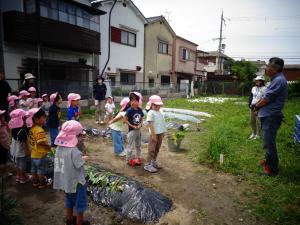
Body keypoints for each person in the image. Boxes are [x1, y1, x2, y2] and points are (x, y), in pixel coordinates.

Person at [254, 57, 288, 176]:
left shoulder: (279, 80)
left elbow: (267, 99)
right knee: (267, 141)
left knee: (269, 143)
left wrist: (256, 107)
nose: (266, 69)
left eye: (268, 67)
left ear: (275, 69)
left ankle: (272, 169)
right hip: (268, 115)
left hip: (271, 116)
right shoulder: (275, 80)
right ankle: (268, 161)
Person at [53, 120, 89, 225]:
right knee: (80, 203)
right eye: (79, 136)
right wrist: (85, 158)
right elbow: (79, 163)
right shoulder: (74, 150)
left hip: (66, 181)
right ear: (75, 137)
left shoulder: (59, 148)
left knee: (69, 199)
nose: (81, 138)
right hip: (77, 182)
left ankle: (69, 219)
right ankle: (79, 222)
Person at [28, 108, 52, 188]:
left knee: (33, 170)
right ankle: (42, 183)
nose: (45, 119)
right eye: (43, 117)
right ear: (36, 119)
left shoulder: (32, 128)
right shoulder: (39, 130)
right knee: (40, 170)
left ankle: (35, 182)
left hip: (33, 154)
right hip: (40, 155)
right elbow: (41, 142)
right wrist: (48, 146)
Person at [143, 95, 166, 173]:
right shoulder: (151, 112)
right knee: (151, 149)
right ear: (151, 104)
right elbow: (150, 124)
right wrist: (153, 135)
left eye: (159, 105)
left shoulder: (160, 111)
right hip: (154, 134)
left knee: (157, 149)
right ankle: (147, 164)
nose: (157, 107)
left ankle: (154, 161)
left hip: (160, 133)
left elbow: (162, 122)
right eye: (155, 105)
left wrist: (163, 132)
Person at [9, 109, 30, 183]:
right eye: (25, 118)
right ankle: (22, 178)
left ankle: (18, 176)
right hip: (21, 151)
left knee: (17, 164)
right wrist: (27, 151)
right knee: (22, 165)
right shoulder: (22, 131)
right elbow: (23, 143)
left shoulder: (14, 128)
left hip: (14, 150)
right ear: (21, 120)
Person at [124, 92, 144, 166]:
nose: (133, 102)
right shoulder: (129, 110)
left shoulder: (139, 110)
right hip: (132, 131)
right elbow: (125, 120)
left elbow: (142, 118)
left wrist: (140, 124)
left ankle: (137, 158)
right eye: (132, 100)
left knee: (138, 145)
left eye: (135, 100)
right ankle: (128, 159)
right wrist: (132, 125)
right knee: (130, 146)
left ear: (138, 102)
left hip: (138, 130)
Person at [248, 75, 267, 140]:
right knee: (251, 121)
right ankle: (253, 133)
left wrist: (257, 107)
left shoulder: (265, 89)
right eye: (256, 81)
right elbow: (251, 97)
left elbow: (263, 99)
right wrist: (249, 105)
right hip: (252, 107)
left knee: (258, 121)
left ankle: (258, 135)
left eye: (258, 81)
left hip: (259, 107)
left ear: (262, 81)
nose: (257, 82)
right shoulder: (253, 88)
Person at [0, 110, 11, 176]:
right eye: (2, 116)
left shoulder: (4, 123)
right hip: (2, 145)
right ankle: (2, 174)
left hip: (6, 143)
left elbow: (9, 131)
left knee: (5, 160)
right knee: (2, 161)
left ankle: (5, 173)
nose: (4, 117)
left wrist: (6, 125)